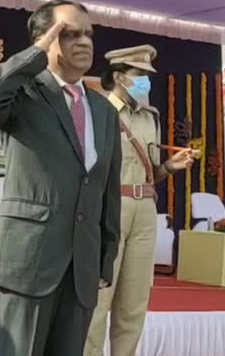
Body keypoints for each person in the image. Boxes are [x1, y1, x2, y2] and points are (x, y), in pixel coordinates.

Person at [0, 0, 122, 356]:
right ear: (44, 39)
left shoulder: (102, 109)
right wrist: (34, 53)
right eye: (69, 34)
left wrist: (104, 257)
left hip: (81, 267)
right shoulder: (23, 93)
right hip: (28, 259)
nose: (84, 42)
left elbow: (106, 189)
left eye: (88, 34)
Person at [85, 45, 195, 356]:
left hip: (146, 208)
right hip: (109, 208)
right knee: (98, 298)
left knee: (134, 302)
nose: (147, 81)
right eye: (140, 75)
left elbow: (154, 170)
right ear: (120, 77)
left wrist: (170, 167)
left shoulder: (151, 117)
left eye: (148, 75)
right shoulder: (98, 113)